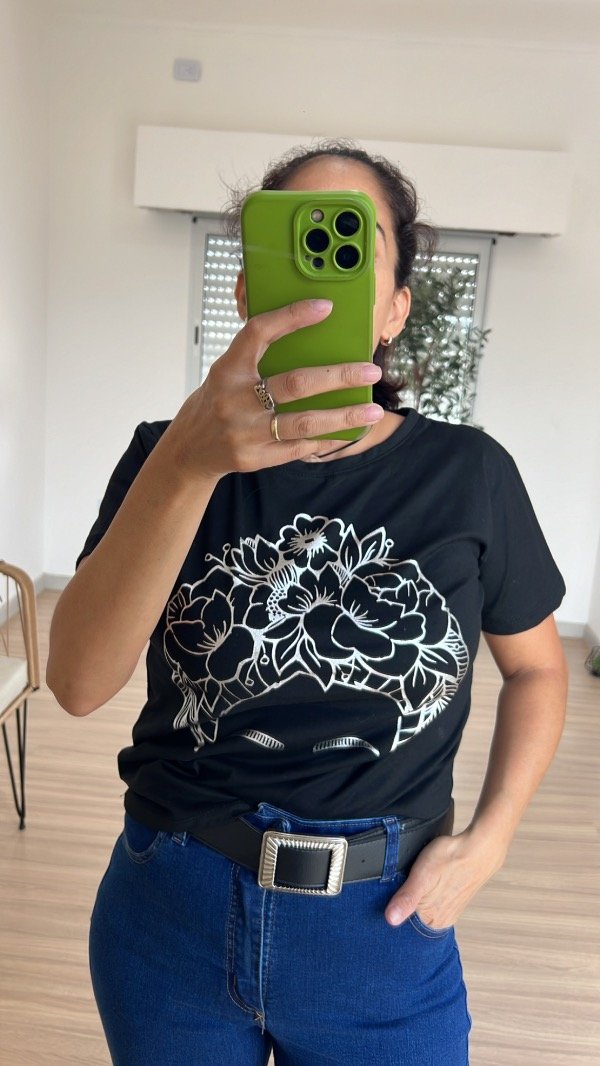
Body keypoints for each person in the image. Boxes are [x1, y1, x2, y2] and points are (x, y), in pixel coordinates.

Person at [47, 140, 568, 1066]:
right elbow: (80, 684)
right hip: (170, 911)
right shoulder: (163, 457)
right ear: (248, 289)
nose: (323, 279)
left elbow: (536, 670)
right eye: (296, 247)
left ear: (397, 306)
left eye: (353, 248)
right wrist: (190, 463)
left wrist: (491, 841)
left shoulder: (469, 474)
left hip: (382, 927)